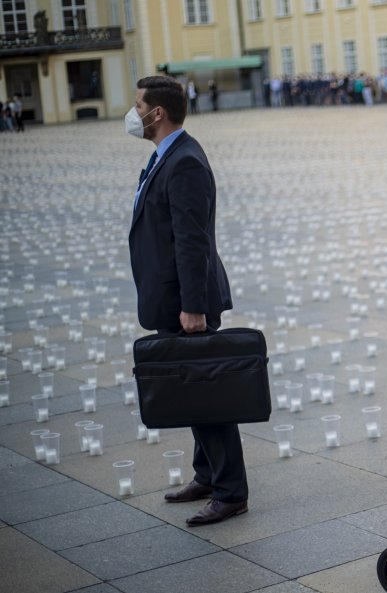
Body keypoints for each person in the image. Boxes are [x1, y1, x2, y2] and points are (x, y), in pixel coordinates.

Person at [126, 76, 245, 525]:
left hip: (186, 302)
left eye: (138, 106)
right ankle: (208, 475)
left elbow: (192, 241)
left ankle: (231, 490)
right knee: (193, 389)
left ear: (157, 114)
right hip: (174, 297)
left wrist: (193, 305)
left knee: (206, 394)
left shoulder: (185, 162)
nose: (133, 113)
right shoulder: (168, 156)